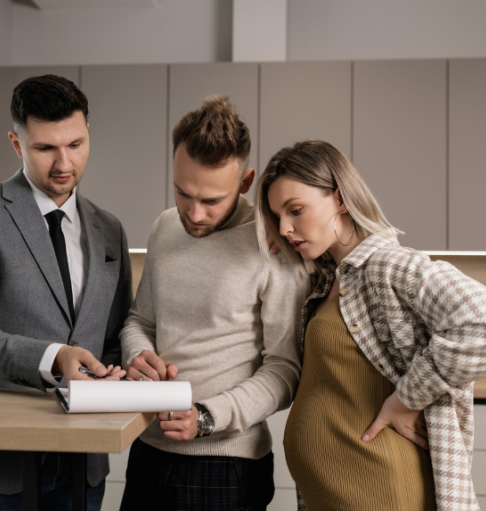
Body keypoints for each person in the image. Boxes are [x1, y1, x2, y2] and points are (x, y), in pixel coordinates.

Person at [255, 139, 486, 511]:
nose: (285, 228)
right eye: (276, 216)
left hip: (378, 488)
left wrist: (406, 398)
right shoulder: (330, 278)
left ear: (341, 198)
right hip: (336, 493)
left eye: (295, 210)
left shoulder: (387, 266)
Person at [0, 74, 132, 511]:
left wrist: (122, 370)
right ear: (16, 142)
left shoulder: (110, 229)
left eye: (76, 145)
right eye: (46, 148)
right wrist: (55, 357)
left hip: (82, 462)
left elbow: (113, 337)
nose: (64, 162)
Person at [118, 96, 309, 510]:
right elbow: (140, 321)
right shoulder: (165, 226)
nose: (195, 214)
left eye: (212, 201)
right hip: (147, 450)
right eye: (183, 193)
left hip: (227, 467)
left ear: (245, 182)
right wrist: (140, 355)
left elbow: (284, 369)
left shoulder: (273, 244)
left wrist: (207, 416)